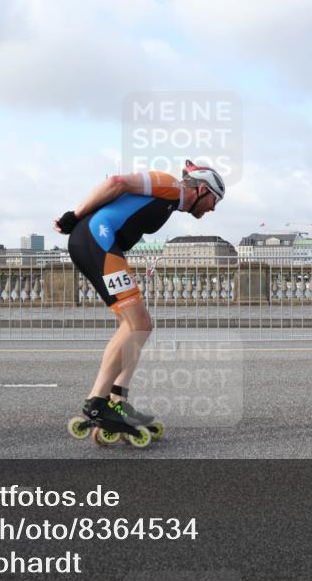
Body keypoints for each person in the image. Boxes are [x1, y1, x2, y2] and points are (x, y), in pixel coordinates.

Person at [56, 160, 225, 446]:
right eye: (214, 199)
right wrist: (75, 214)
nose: (213, 208)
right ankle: (97, 402)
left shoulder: (172, 200)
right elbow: (116, 182)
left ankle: (117, 399)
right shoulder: (169, 184)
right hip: (98, 241)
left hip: (97, 243)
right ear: (201, 189)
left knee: (133, 325)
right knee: (140, 324)